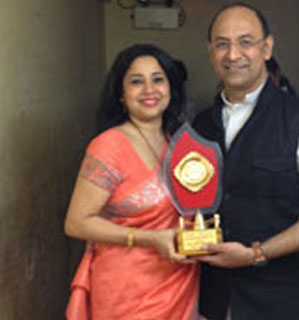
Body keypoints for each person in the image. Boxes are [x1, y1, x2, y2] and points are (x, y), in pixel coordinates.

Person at [192, 3, 299, 320]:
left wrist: (256, 254)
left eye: (245, 42)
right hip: (215, 304)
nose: (233, 54)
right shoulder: (198, 127)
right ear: (210, 51)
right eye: (222, 44)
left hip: (286, 305)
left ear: (267, 48)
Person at [64, 44, 199, 320]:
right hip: (126, 291)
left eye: (158, 79)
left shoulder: (179, 145)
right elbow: (76, 223)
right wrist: (149, 238)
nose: (149, 89)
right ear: (122, 95)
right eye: (136, 81)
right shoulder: (108, 146)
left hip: (178, 282)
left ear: (171, 88)